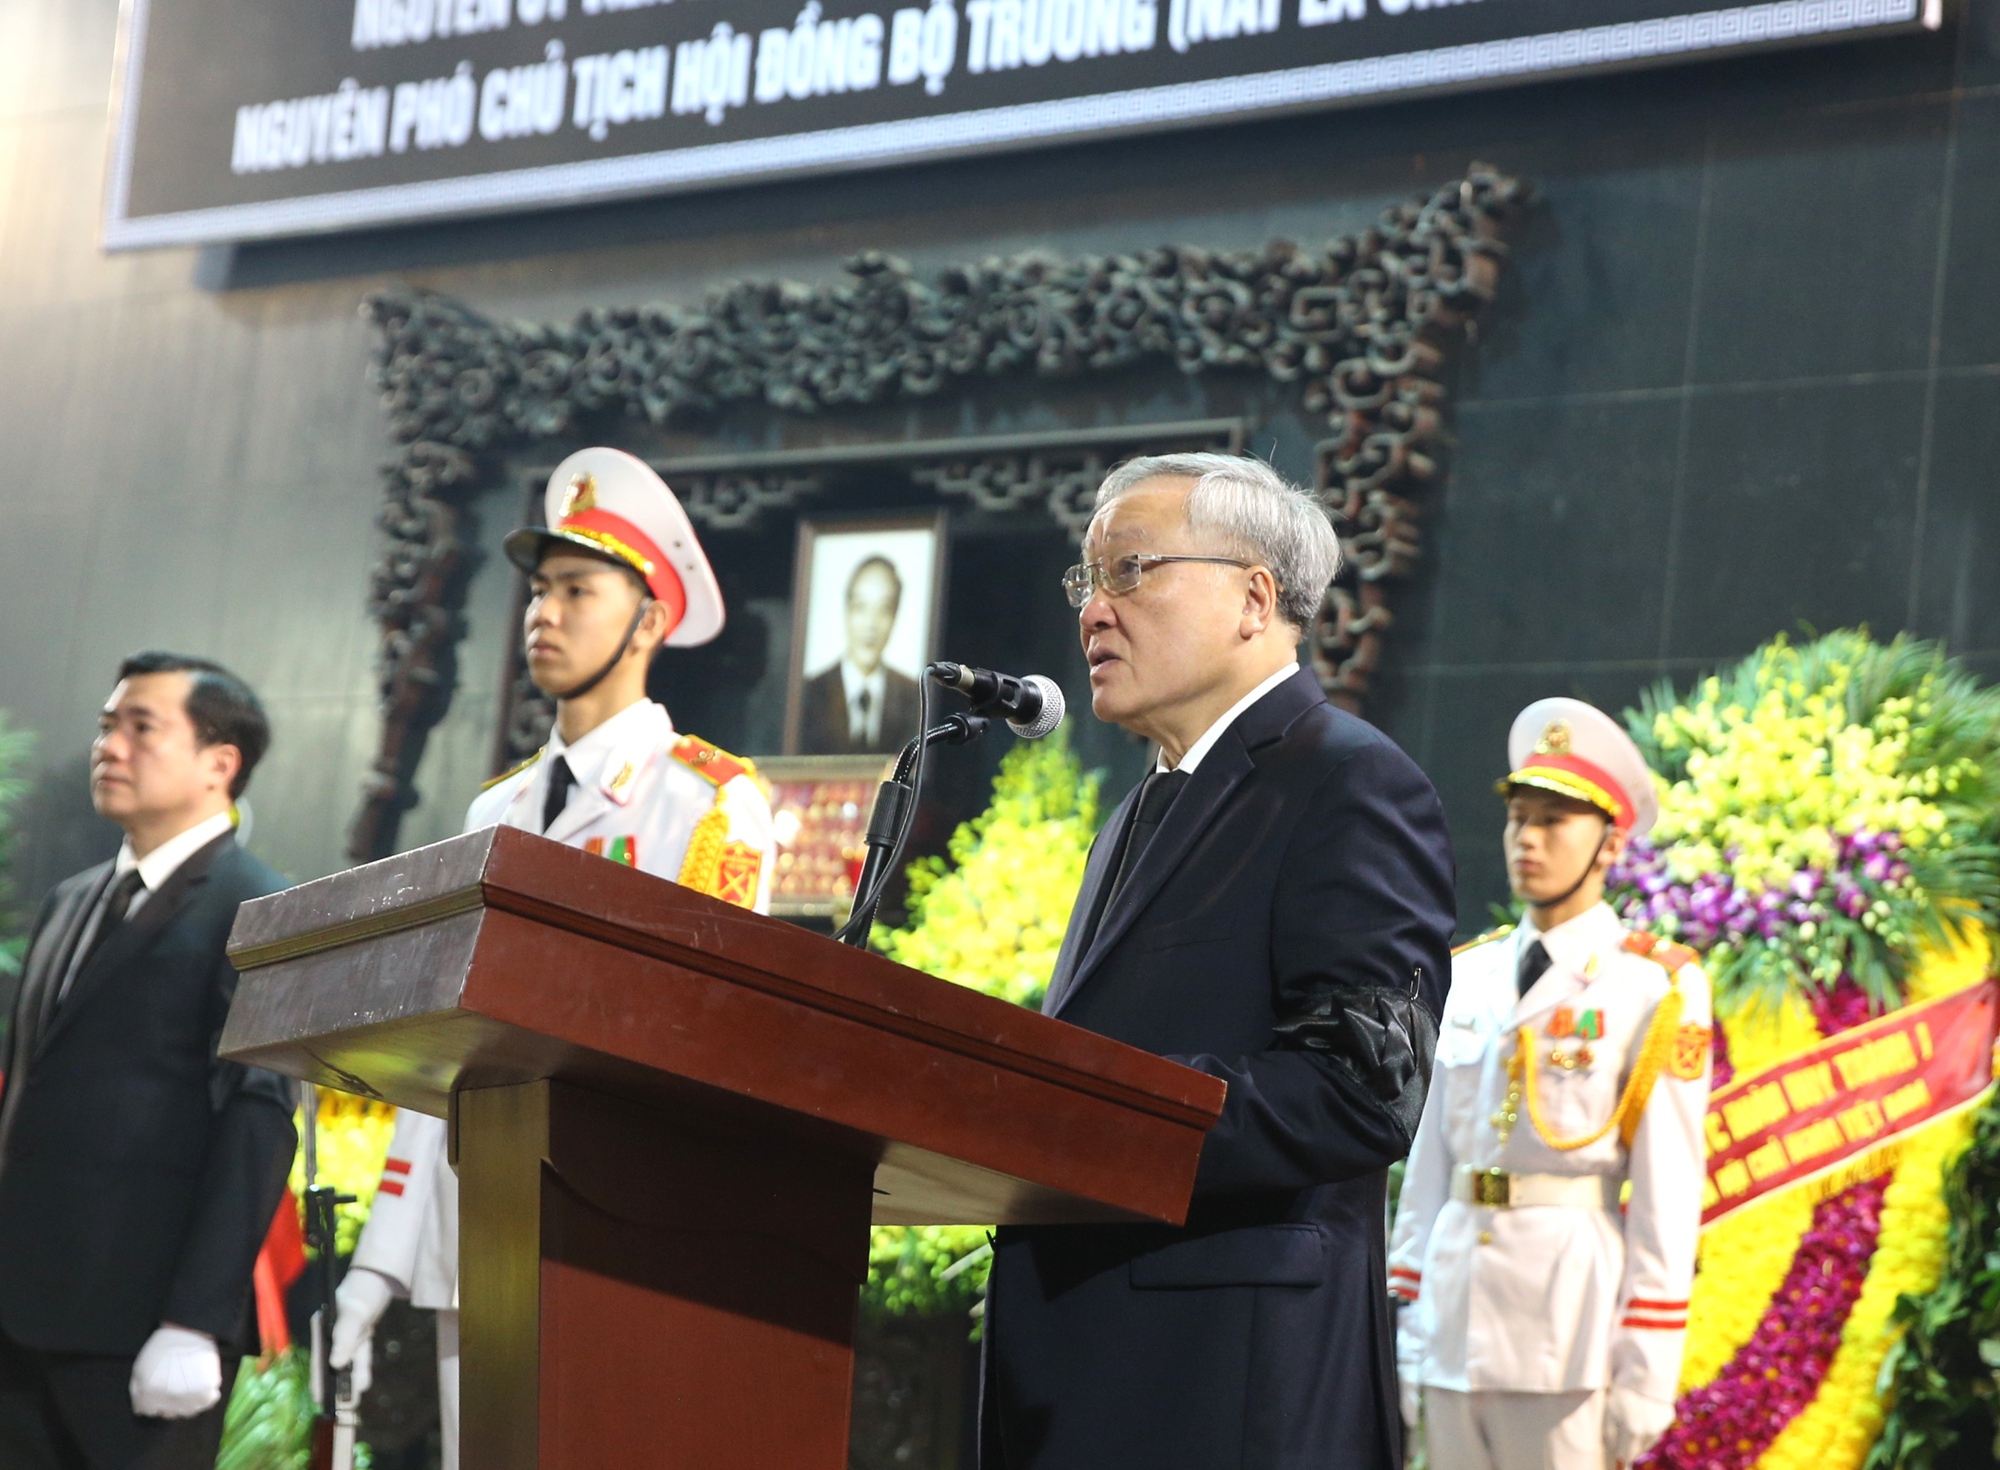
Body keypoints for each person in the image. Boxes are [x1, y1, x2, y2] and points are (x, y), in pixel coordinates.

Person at [980, 453, 1456, 1470]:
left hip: (1230, 1392)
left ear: (1253, 597)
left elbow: (1363, 1086)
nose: (1092, 613)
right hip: (1097, 1378)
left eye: (1131, 569)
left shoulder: (1347, 781)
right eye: (1085, 580)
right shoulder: (1138, 814)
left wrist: (1082, 1112)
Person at [329, 446, 777, 1470]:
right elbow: (437, 1045)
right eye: (538, 590)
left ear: (651, 619)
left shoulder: (710, 802)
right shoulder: (497, 808)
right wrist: (378, 1265)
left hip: (615, 1229)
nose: (545, 612)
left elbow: (700, 1044)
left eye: (579, 589)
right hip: (466, 1228)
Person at [1389, 698, 1712, 1470]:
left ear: (1610, 842)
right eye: (1518, 818)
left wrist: (1648, 1369)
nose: (1527, 839)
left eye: (1554, 822)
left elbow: (1668, 1193)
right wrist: (1406, 1319)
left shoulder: (1652, 987)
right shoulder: (1467, 972)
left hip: (1570, 1331)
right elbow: (1430, 1165)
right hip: (1454, 1313)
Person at [0, 654, 296, 1469]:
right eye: (104, 726)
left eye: (140, 727)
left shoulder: (261, 908)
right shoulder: (70, 899)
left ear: (219, 762)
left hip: (143, 1328)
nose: (110, 746)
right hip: (20, 1318)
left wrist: (196, 1320)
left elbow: (258, 1118)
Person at [796, 554, 923, 754]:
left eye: (884, 610)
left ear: (896, 616)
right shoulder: (810, 693)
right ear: (846, 611)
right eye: (860, 608)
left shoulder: (914, 696)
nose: (871, 624)